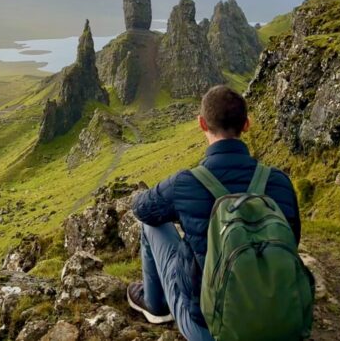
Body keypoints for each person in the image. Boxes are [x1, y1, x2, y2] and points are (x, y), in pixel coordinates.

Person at [127, 85, 301, 341]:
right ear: (247, 125)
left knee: (151, 225)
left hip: (209, 331)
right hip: (276, 321)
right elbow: (292, 241)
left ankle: (157, 307)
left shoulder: (186, 183)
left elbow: (141, 209)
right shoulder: (279, 182)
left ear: (201, 124)